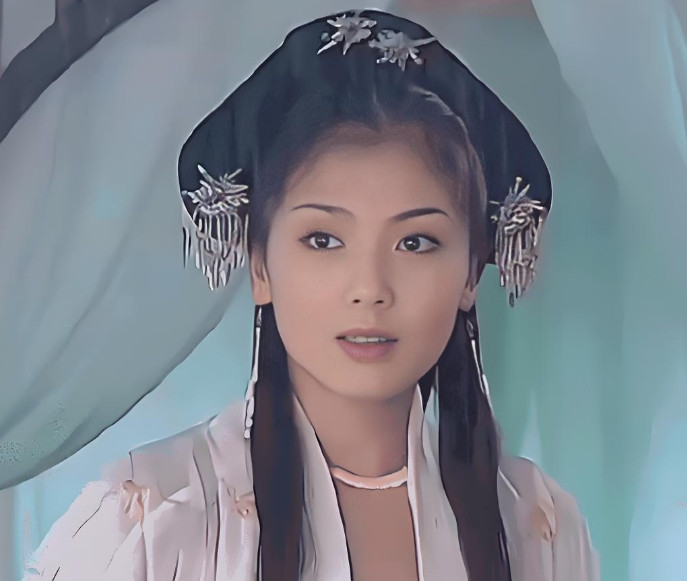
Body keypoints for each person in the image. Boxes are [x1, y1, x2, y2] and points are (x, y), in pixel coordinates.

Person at [22, 9, 599, 581]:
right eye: (323, 239)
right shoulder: (152, 517)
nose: (370, 289)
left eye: (416, 242)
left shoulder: (537, 526)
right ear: (260, 265)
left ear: (471, 274)